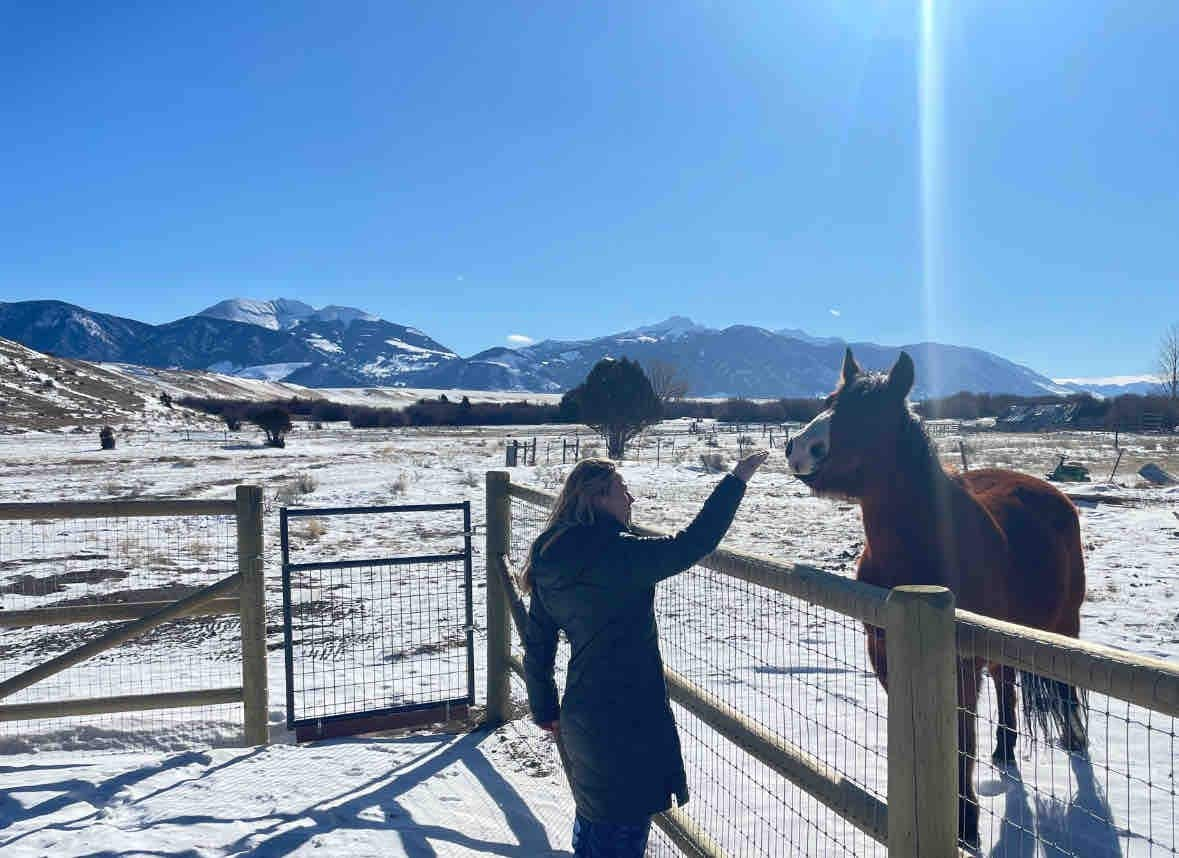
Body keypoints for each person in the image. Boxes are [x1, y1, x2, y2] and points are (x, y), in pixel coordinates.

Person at [521, 450, 770, 857]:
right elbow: (694, 543)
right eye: (623, 490)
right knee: (619, 833)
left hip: (582, 715)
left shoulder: (551, 553)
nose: (631, 500)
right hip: (627, 722)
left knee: (594, 824)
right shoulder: (618, 555)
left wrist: (546, 708)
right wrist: (737, 479)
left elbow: (538, 644)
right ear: (598, 497)